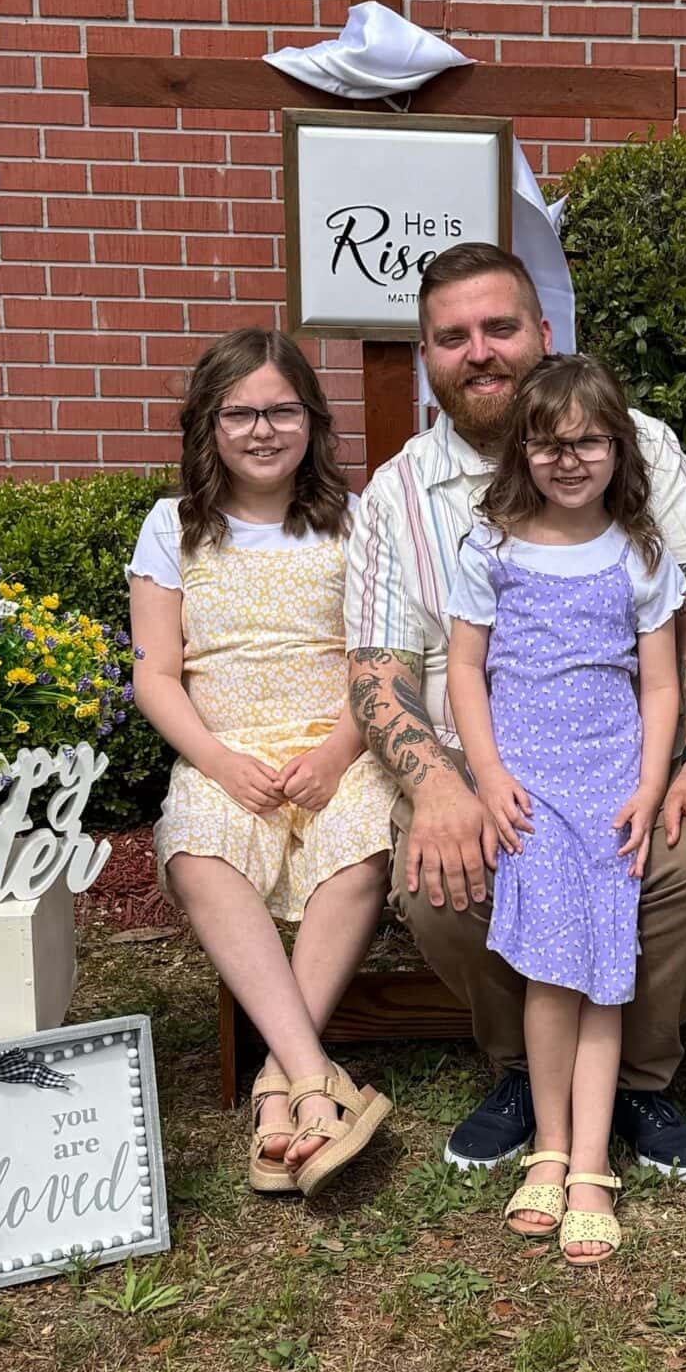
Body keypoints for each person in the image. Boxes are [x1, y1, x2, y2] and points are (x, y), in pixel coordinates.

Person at [345, 242, 686, 1184]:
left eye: (499, 327)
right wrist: (440, 784)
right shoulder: (399, 494)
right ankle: (528, 1077)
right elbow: (378, 666)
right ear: (426, 355)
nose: (479, 352)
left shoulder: (638, 444)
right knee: (443, 879)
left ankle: (636, 1079)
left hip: (625, 756)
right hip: (490, 762)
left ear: (541, 330)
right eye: (452, 337)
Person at [127, 328, 395, 1196]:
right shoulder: (172, 527)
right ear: (208, 425)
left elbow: (380, 660)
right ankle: (316, 1081)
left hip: (338, 744)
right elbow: (155, 674)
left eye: (282, 410)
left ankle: (279, 1089)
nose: (262, 430)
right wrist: (217, 759)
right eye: (239, 413)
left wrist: (340, 751)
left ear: (312, 420)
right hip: (226, 751)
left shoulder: (355, 523)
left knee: (360, 845)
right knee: (198, 850)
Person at [445, 357, 682, 1265]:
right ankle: (550, 1146)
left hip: (612, 786)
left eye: (588, 441)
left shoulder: (639, 553)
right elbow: (466, 668)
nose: (569, 458)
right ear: (522, 451)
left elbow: (659, 685)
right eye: (549, 443)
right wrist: (488, 773)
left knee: (604, 969)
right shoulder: (493, 548)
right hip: (530, 792)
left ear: (618, 448)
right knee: (553, 971)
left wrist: (650, 786)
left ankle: (591, 1166)